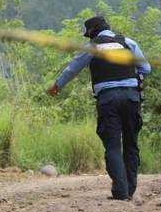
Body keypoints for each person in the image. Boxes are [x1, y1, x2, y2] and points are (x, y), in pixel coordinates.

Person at [47, 16, 151, 201]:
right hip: (131, 97)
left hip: (108, 100)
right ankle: (130, 190)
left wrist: (57, 86)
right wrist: (135, 80)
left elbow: (72, 69)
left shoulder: (91, 47)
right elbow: (146, 68)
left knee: (112, 146)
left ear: (92, 31)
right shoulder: (128, 42)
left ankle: (120, 192)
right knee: (131, 143)